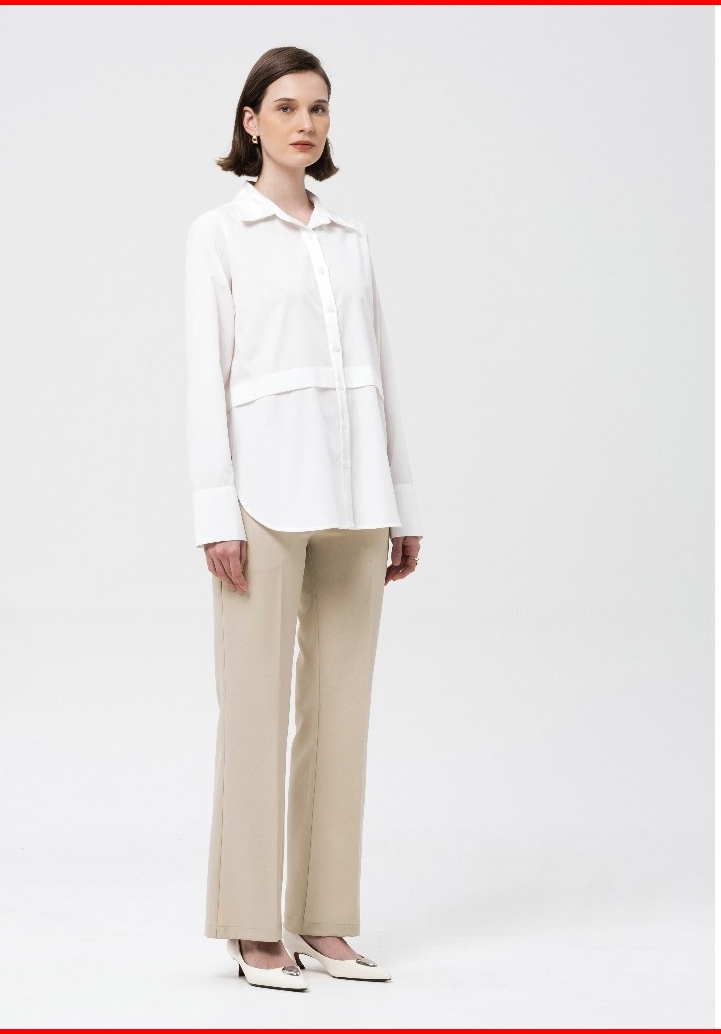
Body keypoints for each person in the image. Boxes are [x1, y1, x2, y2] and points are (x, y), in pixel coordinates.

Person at [184, 45, 423, 992]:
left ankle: (324, 919)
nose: (305, 123)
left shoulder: (351, 239)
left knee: (342, 712)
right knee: (253, 712)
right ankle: (253, 928)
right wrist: (216, 511)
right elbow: (204, 379)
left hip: (356, 498)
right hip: (263, 499)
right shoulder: (220, 233)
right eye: (285, 106)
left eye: (318, 108)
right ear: (251, 121)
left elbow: (381, 373)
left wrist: (402, 502)